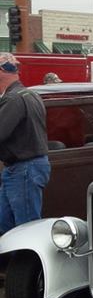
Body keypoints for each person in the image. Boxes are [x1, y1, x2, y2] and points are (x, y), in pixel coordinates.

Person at [0, 53, 51, 235]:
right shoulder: (31, 95)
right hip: (24, 168)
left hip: (24, 169)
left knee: (26, 230)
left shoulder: (13, 99)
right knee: (6, 226)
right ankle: (11, 263)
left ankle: (30, 264)